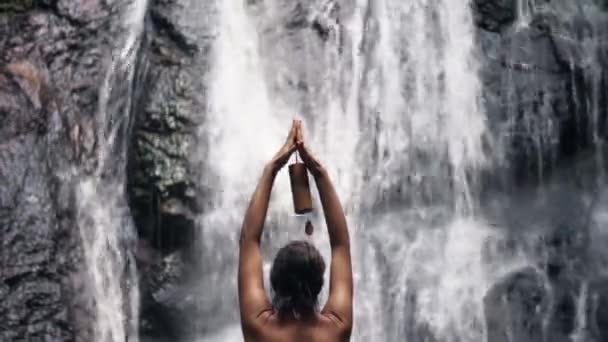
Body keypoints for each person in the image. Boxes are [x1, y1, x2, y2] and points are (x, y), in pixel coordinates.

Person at [238, 120, 353, 341]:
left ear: (274, 282)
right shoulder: (337, 328)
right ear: (320, 284)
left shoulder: (259, 328)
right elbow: (341, 245)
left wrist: (271, 168)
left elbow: (248, 240)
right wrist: (319, 172)